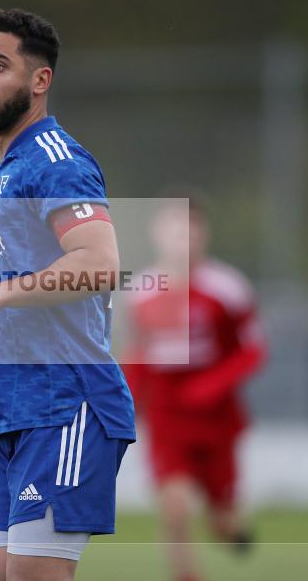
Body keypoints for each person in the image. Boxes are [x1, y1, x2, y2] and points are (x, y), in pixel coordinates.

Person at [0, 8, 136, 581]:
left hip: (67, 405)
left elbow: (99, 264)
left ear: (40, 80)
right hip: (15, 414)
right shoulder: (1, 174)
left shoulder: (56, 161)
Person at [124, 197, 266, 581]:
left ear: (203, 234)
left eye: (189, 230)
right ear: (157, 235)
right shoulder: (141, 293)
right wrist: (126, 407)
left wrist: (212, 385)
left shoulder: (229, 289)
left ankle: (229, 527)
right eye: (173, 230)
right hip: (168, 418)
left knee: (224, 523)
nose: (181, 239)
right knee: (175, 508)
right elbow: (136, 356)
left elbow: (253, 351)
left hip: (217, 420)